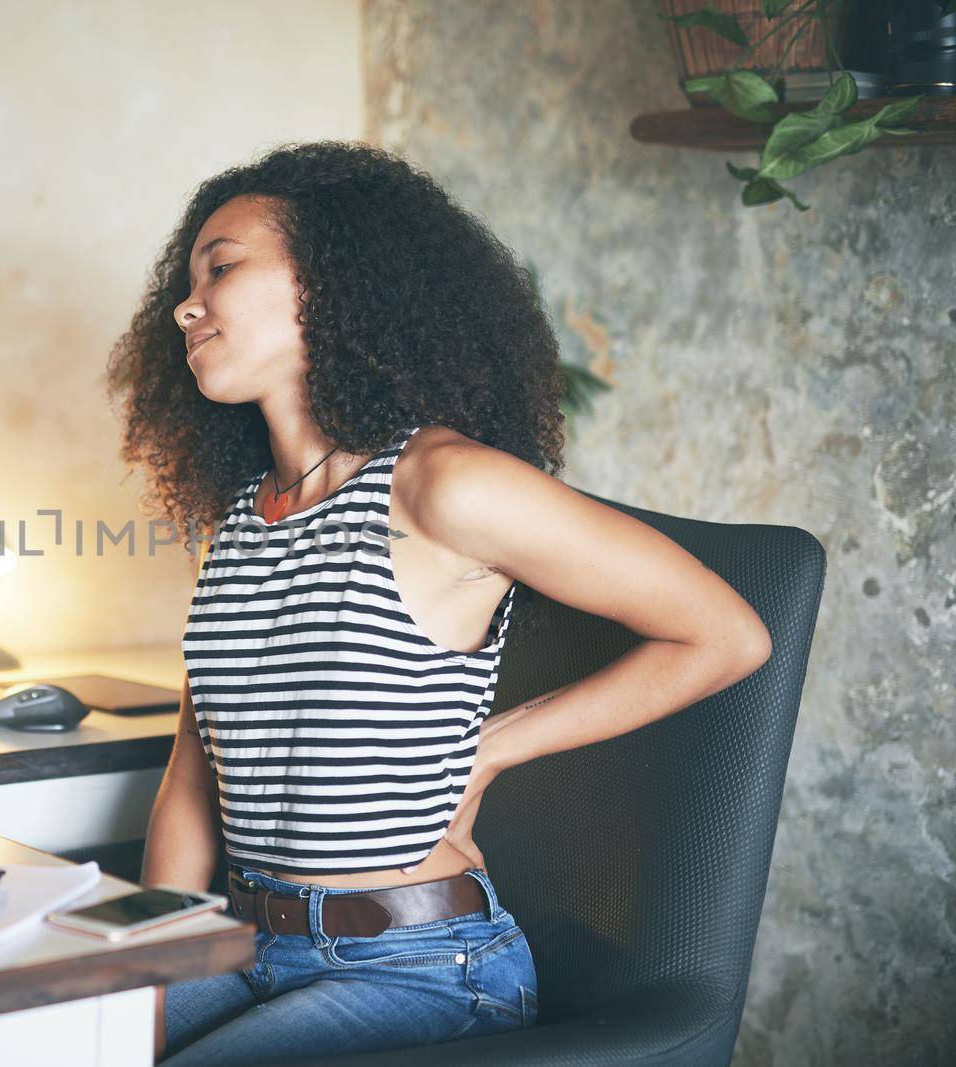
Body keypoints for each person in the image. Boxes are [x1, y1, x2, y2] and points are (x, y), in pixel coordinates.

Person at [104, 142, 772, 1066]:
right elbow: (190, 774)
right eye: (187, 280)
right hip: (249, 945)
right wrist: (146, 976)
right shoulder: (244, 516)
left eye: (222, 267)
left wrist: (494, 746)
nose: (187, 302)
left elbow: (725, 635)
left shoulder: (444, 485)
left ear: (332, 283)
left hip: (418, 967)